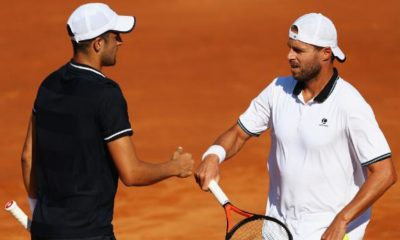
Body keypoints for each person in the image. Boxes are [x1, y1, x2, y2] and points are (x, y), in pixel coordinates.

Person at [195, 13, 397, 240]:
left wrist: (342, 220)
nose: (290, 56)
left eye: (299, 50)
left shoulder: (349, 105)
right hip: (278, 228)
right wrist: (214, 155)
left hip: (328, 232)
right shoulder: (277, 90)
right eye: (290, 48)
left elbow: (384, 173)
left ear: (325, 53)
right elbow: (239, 133)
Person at [20, 3, 194, 240]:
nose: (120, 41)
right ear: (98, 44)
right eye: (115, 36)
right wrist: (174, 167)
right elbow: (131, 173)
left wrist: (37, 212)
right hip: (89, 234)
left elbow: (28, 158)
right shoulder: (106, 94)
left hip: (45, 229)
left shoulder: (47, 85)